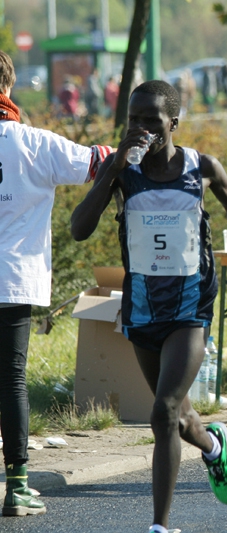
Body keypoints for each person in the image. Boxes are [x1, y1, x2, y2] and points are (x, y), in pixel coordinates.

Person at [70, 80, 227, 533]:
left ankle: (160, 526)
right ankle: (214, 448)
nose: (141, 128)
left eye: (151, 120)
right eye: (133, 119)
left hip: (190, 309)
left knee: (161, 411)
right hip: (142, 309)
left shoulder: (202, 167)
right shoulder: (123, 172)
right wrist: (112, 168)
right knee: (177, 416)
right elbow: (79, 229)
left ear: (173, 123)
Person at [0, 50, 111, 517]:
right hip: (14, 279)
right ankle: (17, 487)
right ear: (9, 86)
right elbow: (98, 163)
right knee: (12, 378)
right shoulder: (34, 143)